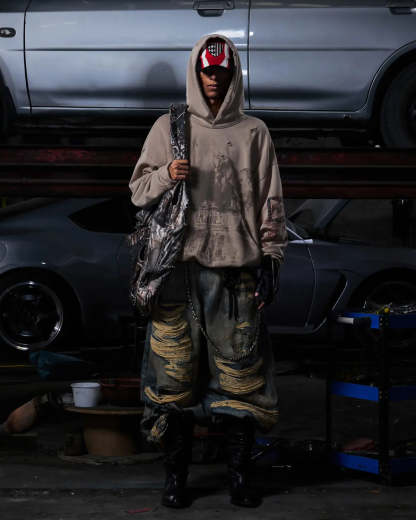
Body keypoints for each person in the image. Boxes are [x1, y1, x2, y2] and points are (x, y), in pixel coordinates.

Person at [129, 34, 287, 509]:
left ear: (233, 74)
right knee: (171, 378)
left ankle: (239, 478)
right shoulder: (169, 127)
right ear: (195, 72)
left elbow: (270, 199)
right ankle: (175, 479)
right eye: (206, 70)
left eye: (221, 71)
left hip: (235, 276)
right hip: (176, 274)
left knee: (241, 380)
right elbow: (138, 191)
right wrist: (166, 174)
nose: (213, 79)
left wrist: (272, 257)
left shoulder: (254, 132)